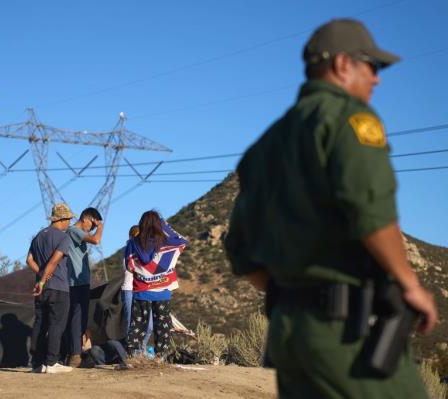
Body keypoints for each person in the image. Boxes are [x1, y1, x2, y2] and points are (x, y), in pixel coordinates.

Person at [224, 18, 437, 398]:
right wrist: (411, 286)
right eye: (372, 65)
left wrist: (292, 294)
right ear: (342, 65)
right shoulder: (350, 120)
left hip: (289, 332)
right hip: (347, 334)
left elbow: (240, 251)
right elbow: (370, 211)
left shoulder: (265, 145)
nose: (377, 79)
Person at [125, 210, 188, 358]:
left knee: (137, 325)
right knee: (162, 327)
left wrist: (144, 272)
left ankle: (133, 357)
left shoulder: (133, 243)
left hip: (141, 292)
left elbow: (129, 266)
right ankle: (160, 358)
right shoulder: (166, 243)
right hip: (162, 293)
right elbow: (182, 240)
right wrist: (164, 224)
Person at [27, 203, 76, 374]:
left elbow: (29, 260)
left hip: (42, 290)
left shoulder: (38, 236)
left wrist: (41, 276)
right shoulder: (63, 238)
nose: (69, 222)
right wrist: (43, 279)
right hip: (58, 288)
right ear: (62, 219)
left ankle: (36, 363)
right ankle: (51, 362)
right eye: (68, 219)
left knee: (40, 324)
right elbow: (54, 261)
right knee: (56, 324)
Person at [61, 207, 104, 367]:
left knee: (81, 320)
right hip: (75, 284)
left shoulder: (75, 233)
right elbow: (96, 240)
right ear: (87, 219)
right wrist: (100, 227)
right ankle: (75, 354)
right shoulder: (74, 230)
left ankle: (76, 352)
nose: (92, 229)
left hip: (82, 282)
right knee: (76, 318)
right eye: (91, 225)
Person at [121, 225, 153, 351]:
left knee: (149, 326)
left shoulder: (147, 252)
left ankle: (141, 350)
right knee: (131, 325)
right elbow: (128, 269)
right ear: (130, 237)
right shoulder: (127, 251)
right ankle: (132, 353)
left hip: (145, 290)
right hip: (129, 289)